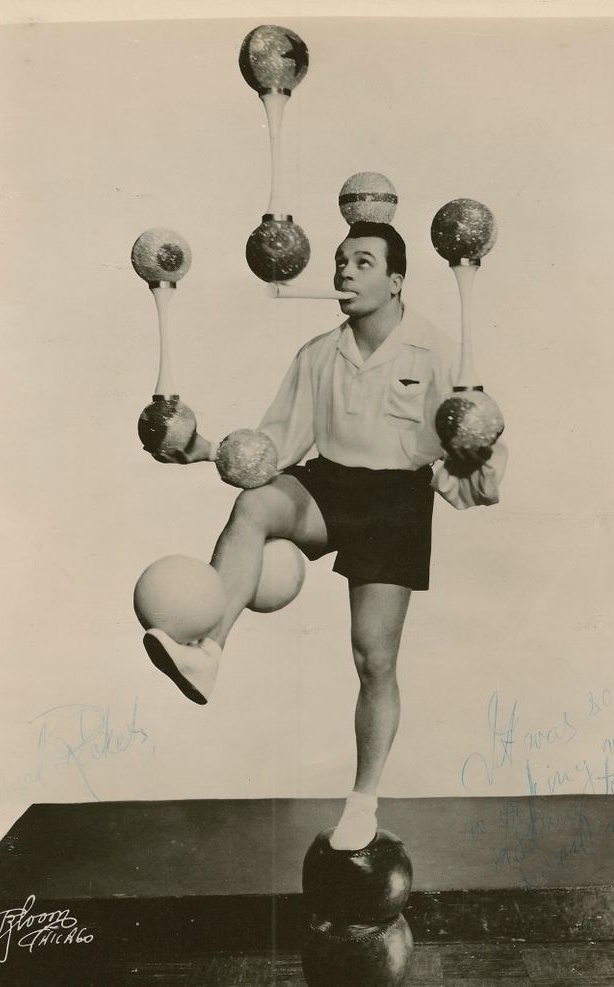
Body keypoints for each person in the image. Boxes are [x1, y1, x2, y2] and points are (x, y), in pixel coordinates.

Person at [142, 221, 508, 851]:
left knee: (374, 658)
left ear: (396, 282)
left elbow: (476, 454)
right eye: (341, 261)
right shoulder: (317, 354)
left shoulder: (438, 352)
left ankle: (363, 801)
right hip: (330, 486)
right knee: (256, 505)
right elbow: (272, 451)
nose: (344, 271)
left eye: (363, 262)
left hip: (397, 501)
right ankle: (208, 649)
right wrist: (202, 451)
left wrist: (473, 464)